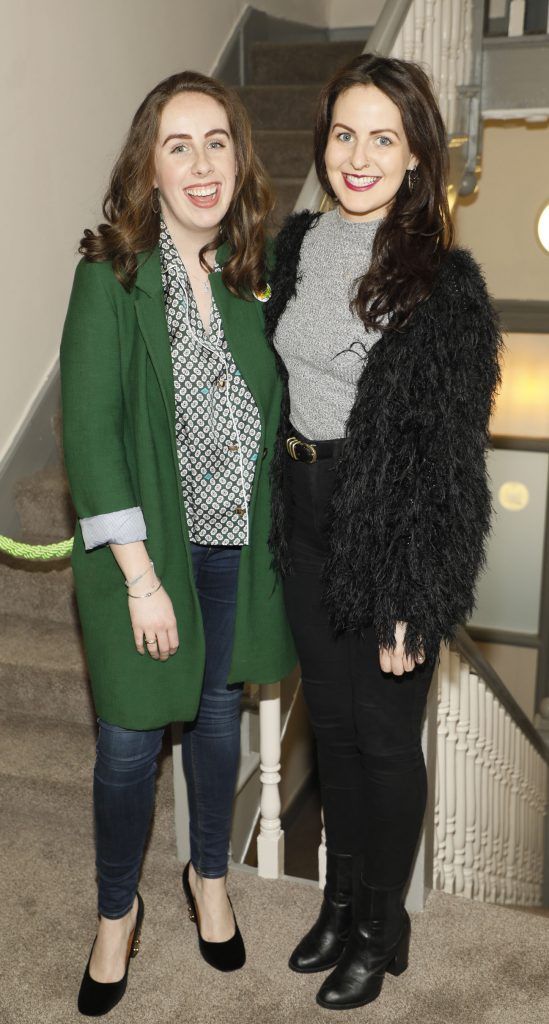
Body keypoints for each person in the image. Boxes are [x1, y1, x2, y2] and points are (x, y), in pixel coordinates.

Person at [265, 53, 501, 1012]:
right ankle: (338, 898)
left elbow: (447, 462)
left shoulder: (443, 283)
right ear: (324, 141)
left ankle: (381, 927)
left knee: (384, 738)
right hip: (304, 512)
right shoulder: (299, 242)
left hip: (388, 523)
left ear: (415, 159)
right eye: (343, 133)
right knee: (331, 730)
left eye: (383, 139)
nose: (358, 155)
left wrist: (415, 589)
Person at [60, 70, 296, 1017]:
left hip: (235, 550)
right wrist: (140, 580)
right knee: (125, 743)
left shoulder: (256, 280)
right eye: (177, 145)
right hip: (142, 561)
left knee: (210, 718)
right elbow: (90, 432)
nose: (202, 164)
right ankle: (116, 914)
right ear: (148, 169)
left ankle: (208, 880)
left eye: (217, 143)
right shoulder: (109, 277)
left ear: (239, 159)